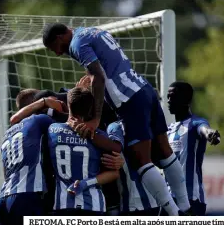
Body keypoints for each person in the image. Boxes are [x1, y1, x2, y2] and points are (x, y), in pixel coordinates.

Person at [42, 24, 190, 215]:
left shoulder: (76, 44)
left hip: (128, 99)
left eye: (53, 46)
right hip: (143, 88)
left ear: (60, 36)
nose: (56, 53)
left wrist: (95, 118)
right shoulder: (91, 31)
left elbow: (99, 77)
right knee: (164, 151)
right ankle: (186, 207)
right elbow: (105, 66)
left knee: (141, 161)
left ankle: (174, 215)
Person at [48, 87, 120, 216]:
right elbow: (114, 173)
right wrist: (86, 183)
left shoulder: (52, 129)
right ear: (90, 109)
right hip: (94, 206)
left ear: (69, 105)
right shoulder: (99, 137)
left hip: (63, 204)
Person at [0, 89, 55, 225]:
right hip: (26, 196)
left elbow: (6, 173)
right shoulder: (38, 120)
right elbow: (69, 124)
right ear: (36, 104)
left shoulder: (7, 134)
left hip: (2, 199)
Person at [166, 81, 221, 216]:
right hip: (169, 199)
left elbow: (204, 129)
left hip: (192, 200)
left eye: (172, 97)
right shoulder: (169, 129)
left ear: (186, 100)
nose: (168, 100)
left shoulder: (195, 123)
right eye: (168, 96)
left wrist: (211, 134)